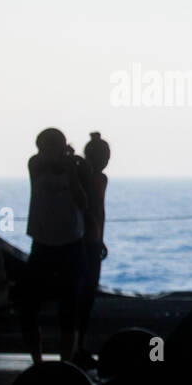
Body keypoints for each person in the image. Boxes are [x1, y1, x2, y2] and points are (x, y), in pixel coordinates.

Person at [19, 128, 88, 364]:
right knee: (27, 306)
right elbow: (38, 166)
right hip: (42, 244)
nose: (44, 153)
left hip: (71, 246)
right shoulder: (35, 165)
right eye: (42, 148)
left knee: (68, 309)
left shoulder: (77, 168)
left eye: (49, 148)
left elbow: (83, 202)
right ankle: (36, 361)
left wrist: (71, 172)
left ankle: (66, 363)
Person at [75, 132, 111, 368]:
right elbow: (92, 211)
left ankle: (78, 347)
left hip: (91, 241)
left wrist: (101, 239)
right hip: (84, 242)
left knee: (86, 296)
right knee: (82, 297)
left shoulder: (99, 178)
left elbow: (98, 213)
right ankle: (76, 349)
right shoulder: (88, 176)